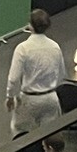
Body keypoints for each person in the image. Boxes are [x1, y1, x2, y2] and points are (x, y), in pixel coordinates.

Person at [5, 8, 63, 136]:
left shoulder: (22, 48)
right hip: (50, 98)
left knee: (21, 134)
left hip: (28, 100)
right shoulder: (55, 47)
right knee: (49, 135)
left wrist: (10, 97)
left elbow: (13, 79)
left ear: (30, 26)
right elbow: (61, 75)